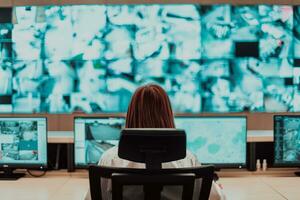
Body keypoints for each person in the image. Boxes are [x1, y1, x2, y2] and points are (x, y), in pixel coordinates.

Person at [85, 84, 226, 200]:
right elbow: (217, 198)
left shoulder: (110, 159)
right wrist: (217, 189)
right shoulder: (187, 159)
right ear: (168, 114)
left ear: (131, 114)